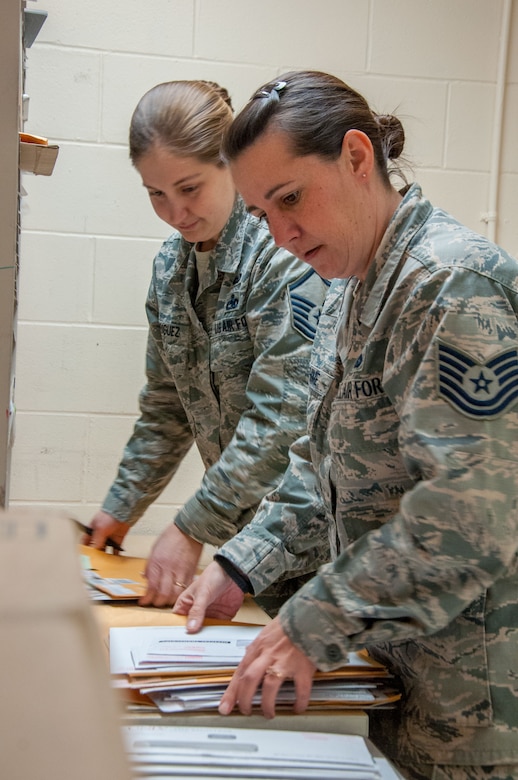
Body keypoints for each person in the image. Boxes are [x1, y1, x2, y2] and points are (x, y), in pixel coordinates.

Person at [173, 70, 518, 779]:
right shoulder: (346, 290)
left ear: (358, 158)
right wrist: (243, 562)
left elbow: (472, 513)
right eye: (263, 214)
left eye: (292, 198)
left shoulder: (449, 285)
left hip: (479, 708)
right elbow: (321, 462)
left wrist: (315, 621)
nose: (283, 233)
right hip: (392, 676)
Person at [83, 79, 329, 609]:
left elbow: (281, 418)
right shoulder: (172, 270)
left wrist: (191, 525)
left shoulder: (281, 257)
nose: (175, 212)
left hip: (315, 552)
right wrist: (122, 505)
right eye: (156, 194)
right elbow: (166, 406)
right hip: (242, 558)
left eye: (189, 188)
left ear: (231, 168)